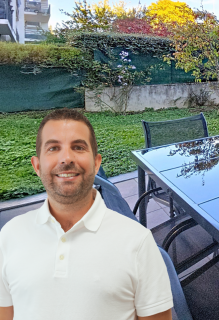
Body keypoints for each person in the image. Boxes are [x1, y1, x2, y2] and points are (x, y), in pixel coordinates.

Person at [0, 109, 173, 320]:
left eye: (78, 147)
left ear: (96, 163)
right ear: (37, 166)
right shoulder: (9, 235)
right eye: (53, 148)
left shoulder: (138, 242)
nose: (66, 158)